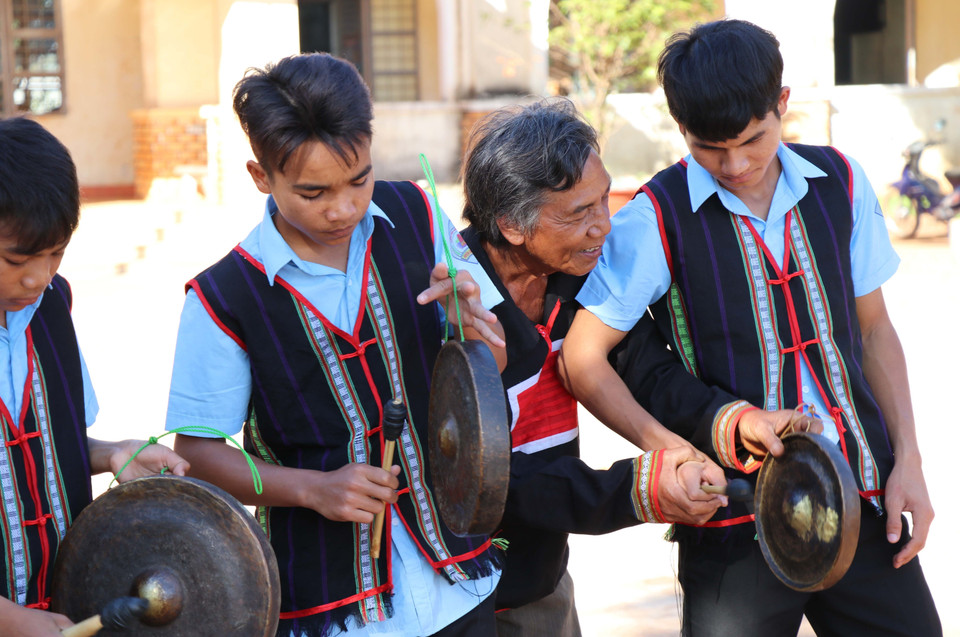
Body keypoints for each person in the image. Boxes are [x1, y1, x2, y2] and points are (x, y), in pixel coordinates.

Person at [559, 18, 942, 636]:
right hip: (734, 524)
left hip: (863, 498)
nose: (734, 164)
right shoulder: (654, 216)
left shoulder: (841, 182)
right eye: (709, 148)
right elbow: (582, 359)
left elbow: (875, 332)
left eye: (752, 139)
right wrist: (672, 454)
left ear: (782, 105)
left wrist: (910, 466)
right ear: (681, 128)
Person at [164, 52, 507, 637]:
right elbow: (197, 455)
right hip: (329, 606)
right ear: (260, 177)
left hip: (458, 577)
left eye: (359, 179)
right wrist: (312, 488)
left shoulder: (420, 214)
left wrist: (473, 331)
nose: (344, 208)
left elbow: (489, 371)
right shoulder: (223, 297)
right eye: (314, 192)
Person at [459, 98, 747, 637]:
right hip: (462, 594)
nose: (604, 228)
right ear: (512, 226)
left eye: (602, 201)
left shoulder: (576, 280)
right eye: (579, 213)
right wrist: (636, 490)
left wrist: (734, 420)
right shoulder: (458, 307)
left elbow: (648, 373)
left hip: (543, 580)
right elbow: (499, 482)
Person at [0, 117, 190, 637]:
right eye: (16, 259)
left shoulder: (52, 304)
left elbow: (38, 448)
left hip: (63, 607)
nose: (38, 277)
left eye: (55, 254)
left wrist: (110, 453)